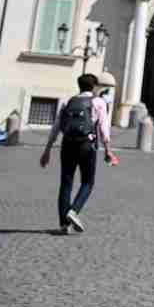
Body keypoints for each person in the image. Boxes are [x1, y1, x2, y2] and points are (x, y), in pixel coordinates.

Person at [39, 73, 116, 234]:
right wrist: (108, 150)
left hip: (67, 144)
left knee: (66, 183)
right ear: (94, 87)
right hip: (87, 145)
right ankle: (73, 211)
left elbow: (56, 127)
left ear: (79, 86)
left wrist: (47, 150)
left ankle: (63, 224)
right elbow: (103, 128)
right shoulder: (98, 102)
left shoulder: (68, 102)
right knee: (88, 182)